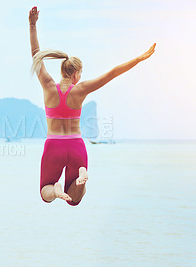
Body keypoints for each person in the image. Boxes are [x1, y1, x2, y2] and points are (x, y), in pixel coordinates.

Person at [28, 6, 156, 206]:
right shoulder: (81, 90)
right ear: (76, 74)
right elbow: (112, 73)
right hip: (76, 146)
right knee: (75, 200)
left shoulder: (47, 85)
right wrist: (138, 59)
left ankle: (55, 189)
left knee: (45, 193)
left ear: (63, 71)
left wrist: (32, 25)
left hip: (54, 145)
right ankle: (81, 178)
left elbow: (36, 55)